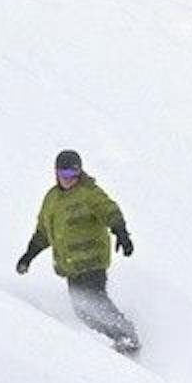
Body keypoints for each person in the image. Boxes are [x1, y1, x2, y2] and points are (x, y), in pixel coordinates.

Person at [17, 149, 140, 353]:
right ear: (56, 173)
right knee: (84, 312)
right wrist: (28, 256)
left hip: (93, 262)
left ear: (80, 172)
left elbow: (109, 210)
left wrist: (121, 233)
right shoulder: (51, 199)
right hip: (71, 266)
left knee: (94, 302)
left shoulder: (89, 193)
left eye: (73, 175)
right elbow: (43, 232)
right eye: (64, 175)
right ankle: (121, 335)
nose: (69, 179)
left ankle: (126, 336)